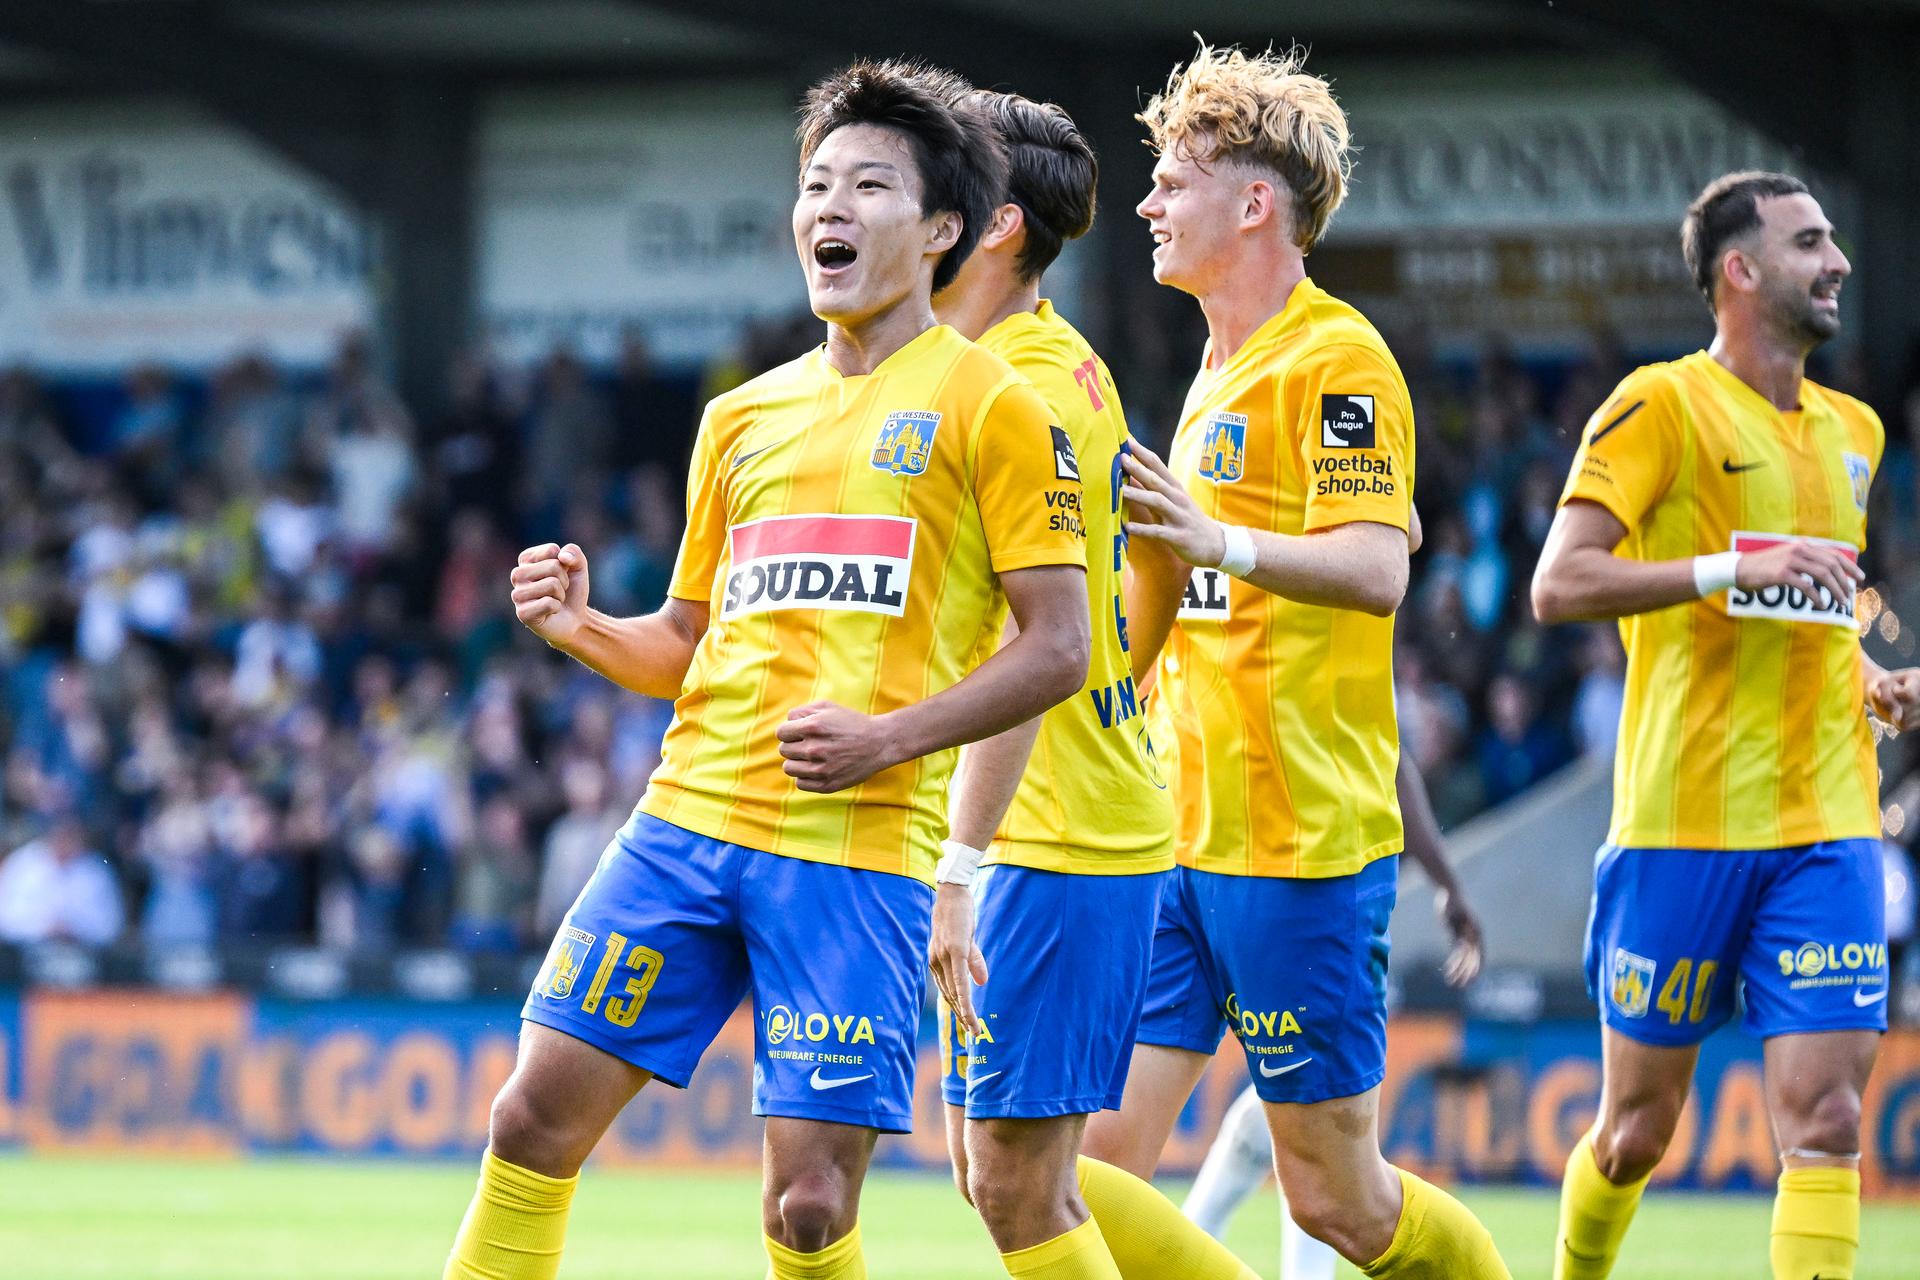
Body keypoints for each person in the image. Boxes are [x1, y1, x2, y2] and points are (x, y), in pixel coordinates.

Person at [443, 60, 1093, 1280]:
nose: (829, 207)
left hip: (856, 853)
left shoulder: (995, 405)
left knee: (806, 1207)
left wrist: (891, 738)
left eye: (867, 185)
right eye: (814, 184)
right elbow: (687, 645)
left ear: (942, 227)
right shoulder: (738, 417)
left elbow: (1060, 644)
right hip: (687, 821)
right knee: (529, 1118)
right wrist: (584, 628)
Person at [1082, 41, 1512, 1278]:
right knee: (1082, 1175)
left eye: (1174, 179)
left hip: (1297, 843)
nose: (1150, 204)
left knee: (1341, 1206)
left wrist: (1221, 536)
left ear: (1256, 201)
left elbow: (1379, 569)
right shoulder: (1212, 374)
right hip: (1179, 838)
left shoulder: (1338, 358)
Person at [1531, 170, 1920, 1280]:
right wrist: (1720, 565)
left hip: (1828, 818)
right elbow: (1560, 585)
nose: (1838, 259)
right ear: (1739, 271)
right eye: (1810, 242)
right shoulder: (1660, 405)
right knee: (1636, 1130)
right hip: (1679, 826)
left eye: (1833, 238)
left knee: (1831, 1113)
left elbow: (1805, 598)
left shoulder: (1856, 430)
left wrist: (1869, 673)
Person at [925, 87, 1256, 1280]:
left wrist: (958, 866)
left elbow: (1033, 651)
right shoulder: (1059, 364)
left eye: (937, 174)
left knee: (1024, 1182)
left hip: (1055, 838)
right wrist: (1124, 676)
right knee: (1002, 1171)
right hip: (1058, 816)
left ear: (996, 224)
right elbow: (1158, 539)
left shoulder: (1017, 386)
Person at [1181, 747, 1488, 1279]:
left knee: (1305, 1124)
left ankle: (1195, 1237)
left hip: (1301, 880)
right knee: (1308, 1123)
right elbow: (1391, 756)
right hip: (1217, 871)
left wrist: (1447, 885)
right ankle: (1192, 1239)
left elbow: (1386, 752)